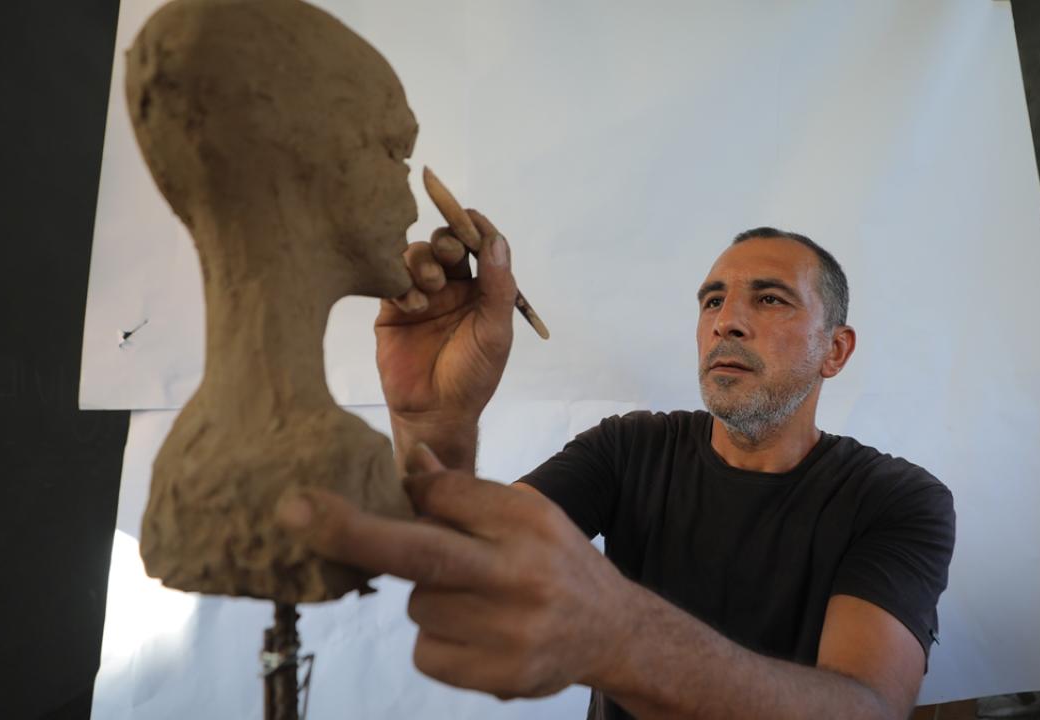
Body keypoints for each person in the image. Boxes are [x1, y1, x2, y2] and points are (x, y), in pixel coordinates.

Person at [276, 218, 956, 719]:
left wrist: (624, 638)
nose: (727, 322)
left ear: (835, 351)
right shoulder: (630, 449)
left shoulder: (897, 500)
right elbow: (472, 563)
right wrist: (436, 424)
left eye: (770, 299)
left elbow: (867, 708)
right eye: (712, 300)